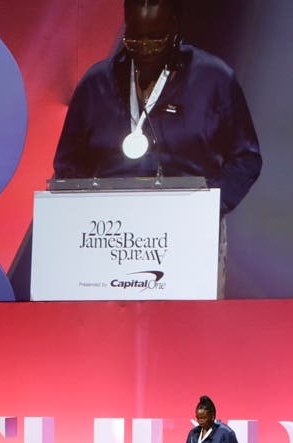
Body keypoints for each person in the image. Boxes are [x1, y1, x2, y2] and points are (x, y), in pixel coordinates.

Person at [52, 0, 262, 293]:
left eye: (156, 38)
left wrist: (211, 206)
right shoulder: (97, 83)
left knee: (185, 330)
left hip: (189, 231)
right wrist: (88, 209)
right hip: (112, 238)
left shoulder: (214, 79)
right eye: (135, 37)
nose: (145, 49)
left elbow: (246, 157)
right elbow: (68, 161)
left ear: (175, 29)